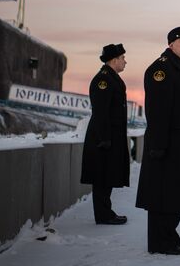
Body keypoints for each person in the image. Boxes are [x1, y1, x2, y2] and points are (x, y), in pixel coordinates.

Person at [135, 26, 180, 256]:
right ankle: (160, 243)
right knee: (162, 196)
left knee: (174, 195)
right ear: (171, 43)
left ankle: (169, 238)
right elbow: (158, 112)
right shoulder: (161, 69)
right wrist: (159, 146)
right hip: (166, 145)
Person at [80, 43, 130, 225]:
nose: (125, 61)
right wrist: (104, 139)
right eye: (123, 58)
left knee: (107, 176)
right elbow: (101, 112)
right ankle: (103, 215)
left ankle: (106, 212)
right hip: (103, 138)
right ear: (114, 60)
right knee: (102, 177)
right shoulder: (104, 80)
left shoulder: (111, 78)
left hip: (109, 137)